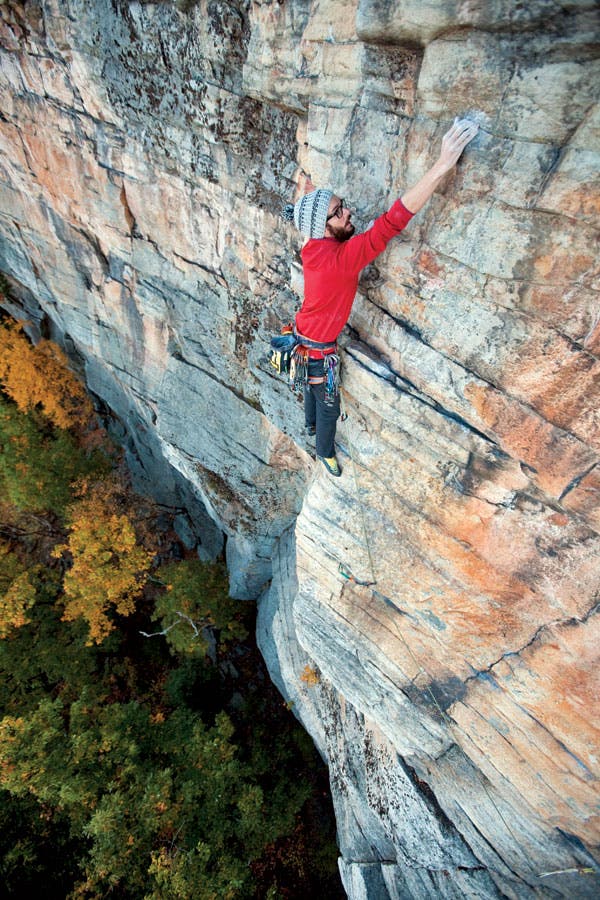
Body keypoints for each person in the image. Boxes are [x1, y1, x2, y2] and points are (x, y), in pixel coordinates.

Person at [283, 118, 478, 477]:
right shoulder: (341, 260)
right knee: (329, 403)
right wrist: (441, 166)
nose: (348, 211)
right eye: (339, 213)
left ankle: (310, 425)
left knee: (310, 388)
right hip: (318, 345)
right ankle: (323, 451)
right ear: (325, 228)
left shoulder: (313, 247)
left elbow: (322, 217)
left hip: (302, 334)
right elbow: (393, 221)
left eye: (341, 205)